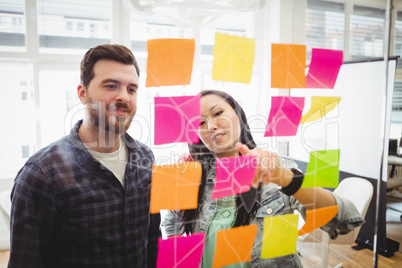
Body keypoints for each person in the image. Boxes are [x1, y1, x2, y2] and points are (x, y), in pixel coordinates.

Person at [161, 89, 364, 267]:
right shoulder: (192, 177)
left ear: (238, 115)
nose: (212, 126)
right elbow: (171, 221)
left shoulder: (277, 167)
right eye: (201, 122)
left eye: (218, 113)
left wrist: (284, 179)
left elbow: (344, 221)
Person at [9, 44, 161, 267]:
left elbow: (152, 238)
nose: (124, 97)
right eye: (111, 86)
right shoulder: (41, 175)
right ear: (82, 93)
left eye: (131, 89)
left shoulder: (146, 158)